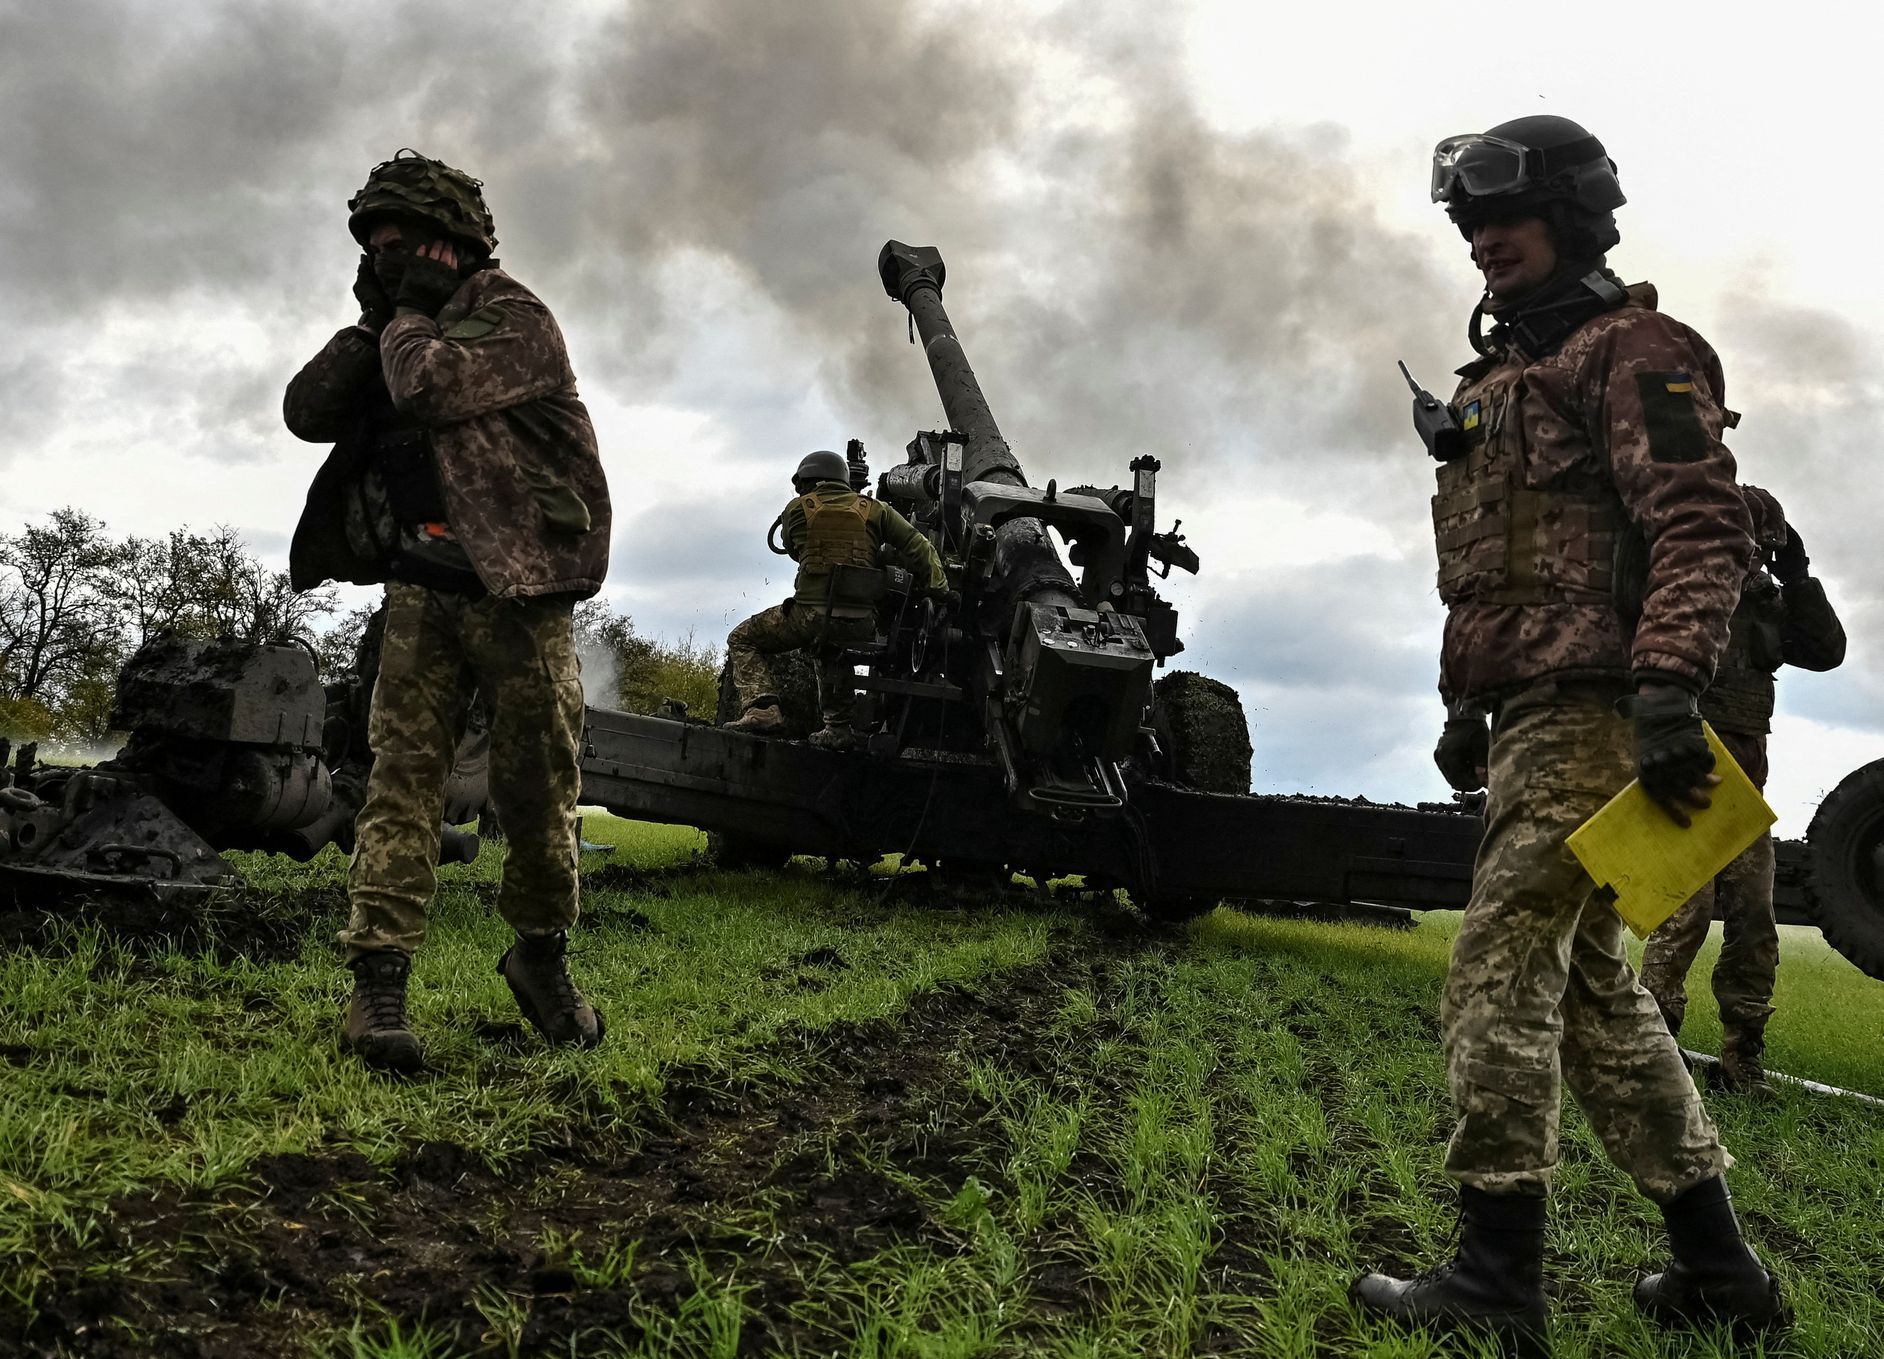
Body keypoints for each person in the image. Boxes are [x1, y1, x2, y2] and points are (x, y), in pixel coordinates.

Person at [1353, 116, 1785, 1352]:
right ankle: (1720, 1270)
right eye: (1471, 225)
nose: (1486, 240)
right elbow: (1490, 576)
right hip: (1532, 717)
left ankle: (1494, 1280)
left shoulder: (1634, 350)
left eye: (1510, 218)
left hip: (1601, 713)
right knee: (1595, 990)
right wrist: (1459, 710)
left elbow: (1704, 524)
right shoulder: (1501, 388)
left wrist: (1664, 688)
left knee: (1497, 965)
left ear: (1579, 216)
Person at [283, 150, 612, 1072]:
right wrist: (368, 323)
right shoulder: (394, 330)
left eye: (402, 244)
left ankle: (541, 957)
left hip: (518, 596)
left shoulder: (513, 316)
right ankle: (377, 990)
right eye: (373, 248)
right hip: (421, 590)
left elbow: (431, 386)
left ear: (452, 243)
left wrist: (411, 316)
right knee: (401, 784)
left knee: (540, 793)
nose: (387, 259)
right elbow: (306, 411)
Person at [1640, 486, 1846, 1092]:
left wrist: (1799, 577)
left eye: (1764, 549)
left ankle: (1742, 1057)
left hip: (1743, 796)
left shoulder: (1765, 605)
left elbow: (1827, 650)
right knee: (1685, 917)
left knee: (1755, 923)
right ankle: (1654, 1047)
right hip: (1687, 785)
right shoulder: (1686, 591)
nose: (1754, 557)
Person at [723, 450, 947, 750]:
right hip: (861, 624)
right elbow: (918, 545)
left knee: (742, 638)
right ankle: (838, 728)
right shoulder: (876, 510)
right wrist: (940, 589)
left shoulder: (798, 509)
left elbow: (793, 549)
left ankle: (763, 710)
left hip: (811, 616)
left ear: (808, 481)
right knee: (830, 644)